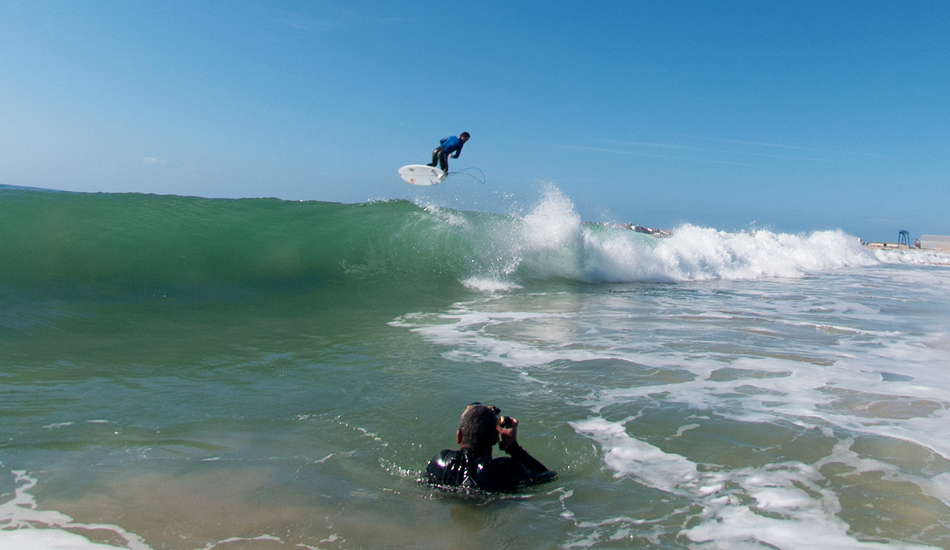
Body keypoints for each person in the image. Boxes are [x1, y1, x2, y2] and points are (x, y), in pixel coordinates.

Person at [426, 403, 557, 492]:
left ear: (459, 436)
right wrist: (514, 448)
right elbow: (549, 477)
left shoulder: (441, 462)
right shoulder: (506, 469)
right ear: (496, 438)